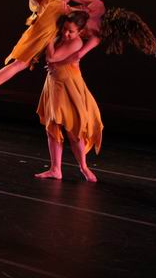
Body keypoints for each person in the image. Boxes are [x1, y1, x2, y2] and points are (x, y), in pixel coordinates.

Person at [35, 11, 102, 182]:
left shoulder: (76, 42)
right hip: (54, 84)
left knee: (73, 130)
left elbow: (51, 57)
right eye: (64, 29)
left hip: (69, 86)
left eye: (71, 31)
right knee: (52, 127)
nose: (66, 33)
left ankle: (83, 166)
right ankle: (55, 169)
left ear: (80, 32)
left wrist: (49, 39)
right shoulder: (60, 37)